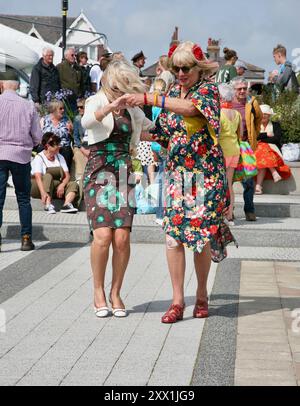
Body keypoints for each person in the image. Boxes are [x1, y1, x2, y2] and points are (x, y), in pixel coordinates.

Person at [125, 41, 236, 323]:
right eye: (177, 68)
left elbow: (190, 109)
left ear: (198, 69)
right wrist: (129, 126)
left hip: (204, 177)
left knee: (199, 241)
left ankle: (201, 295)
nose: (181, 73)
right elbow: (161, 133)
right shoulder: (173, 91)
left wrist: (150, 99)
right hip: (177, 177)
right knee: (173, 239)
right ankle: (177, 301)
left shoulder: (207, 90)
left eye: (186, 68)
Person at [81, 59, 154, 318]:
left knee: (122, 237)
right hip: (98, 171)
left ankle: (116, 292)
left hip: (123, 172)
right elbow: (87, 123)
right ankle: (98, 292)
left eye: (125, 89)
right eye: (118, 88)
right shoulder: (97, 100)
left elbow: (148, 130)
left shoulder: (132, 109)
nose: (121, 94)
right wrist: (109, 107)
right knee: (102, 235)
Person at [0, 69, 42, 251]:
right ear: (18, 86)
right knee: (23, 199)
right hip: (21, 156)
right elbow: (38, 136)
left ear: (1, 85)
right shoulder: (28, 106)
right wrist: (29, 144)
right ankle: (26, 238)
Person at [232, 77, 263, 221]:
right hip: (230, 146)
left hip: (245, 145)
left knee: (249, 180)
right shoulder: (227, 103)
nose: (243, 91)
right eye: (239, 89)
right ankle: (229, 210)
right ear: (234, 90)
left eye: (244, 88)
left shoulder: (252, 103)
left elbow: (258, 119)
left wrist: (253, 137)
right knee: (229, 180)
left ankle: (249, 210)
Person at [31, 133, 79, 214]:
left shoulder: (60, 157)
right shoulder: (39, 157)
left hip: (55, 187)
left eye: (59, 144)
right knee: (48, 176)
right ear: (48, 146)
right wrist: (43, 192)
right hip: (38, 187)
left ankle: (66, 205)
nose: (59, 146)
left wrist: (62, 185)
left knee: (73, 184)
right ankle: (48, 204)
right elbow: (38, 177)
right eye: (56, 144)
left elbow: (67, 175)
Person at [218, 84, 242, 224]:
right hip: (235, 150)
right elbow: (241, 133)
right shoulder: (237, 114)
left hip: (223, 150)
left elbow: (218, 133)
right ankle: (230, 214)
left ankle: (221, 215)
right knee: (229, 184)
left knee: (220, 184)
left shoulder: (219, 113)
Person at [255, 104, 291, 194]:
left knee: (263, 146)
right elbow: (254, 137)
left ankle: (258, 186)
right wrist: (266, 135)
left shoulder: (276, 125)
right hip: (259, 151)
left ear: (269, 115)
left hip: (273, 150)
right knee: (262, 150)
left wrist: (261, 138)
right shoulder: (255, 125)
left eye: (266, 114)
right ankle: (274, 172)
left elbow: (276, 139)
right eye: (261, 113)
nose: (263, 116)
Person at [41, 100, 73, 170]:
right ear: (53, 110)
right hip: (48, 146)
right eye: (60, 108)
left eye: (63, 108)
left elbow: (71, 136)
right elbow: (40, 136)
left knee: (67, 151)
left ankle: (65, 174)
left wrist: (70, 131)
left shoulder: (66, 120)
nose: (63, 110)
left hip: (63, 147)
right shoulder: (44, 120)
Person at [56, 48, 84, 113]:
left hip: (76, 100)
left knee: (76, 119)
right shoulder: (59, 67)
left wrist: (81, 96)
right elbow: (56, 83)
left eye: (75, 55)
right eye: (72, 55)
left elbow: (82, 84)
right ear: (66, 56)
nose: (74, 57)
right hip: (65, 101)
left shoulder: (78, 68)